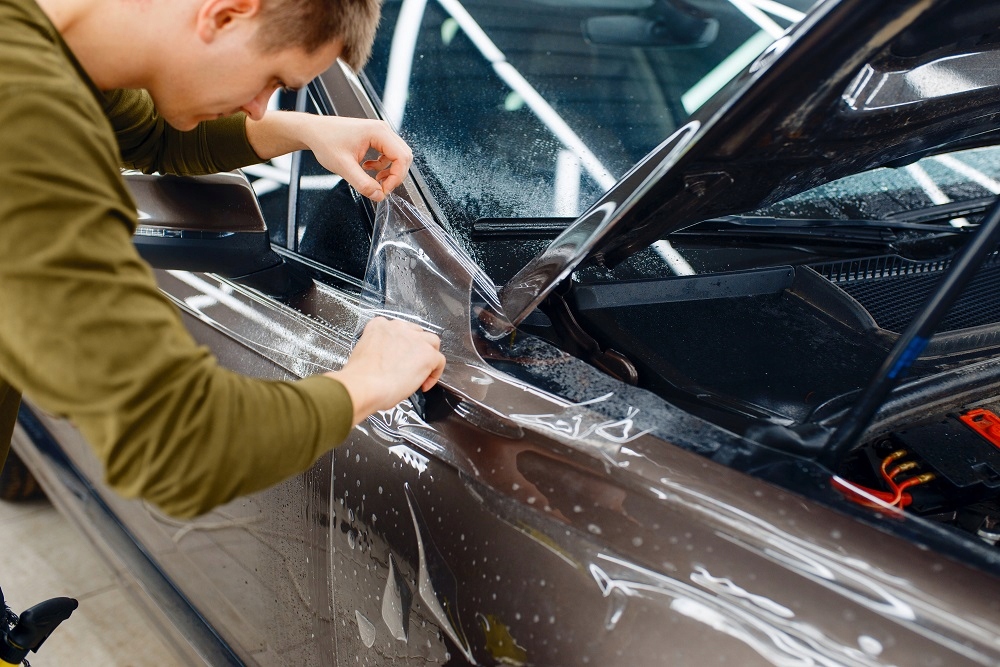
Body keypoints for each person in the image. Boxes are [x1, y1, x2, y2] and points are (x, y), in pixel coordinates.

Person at [0, 0, 447, 517]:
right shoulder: (28, 116)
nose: (258, 107)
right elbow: (177, 443)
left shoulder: (59, 50)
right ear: (226, 14)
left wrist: (305, 130)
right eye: (271, 80)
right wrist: (368, 381)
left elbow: (154, 135)